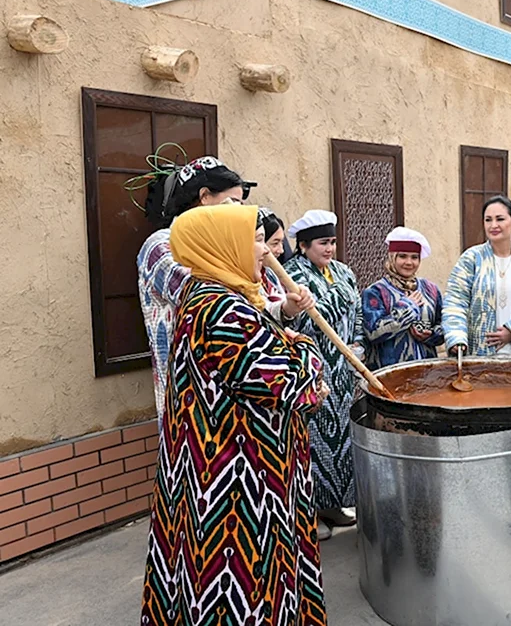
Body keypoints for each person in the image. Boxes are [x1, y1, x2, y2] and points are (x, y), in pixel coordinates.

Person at [141, 204, 328, 626]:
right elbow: (289, 383)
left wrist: (285, 332)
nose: (265, 252)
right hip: (239, 479)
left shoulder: (212, 296)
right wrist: (306, 353)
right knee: (241, 577)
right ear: (221, 246)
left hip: (216, 464)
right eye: (256, 240)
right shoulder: (223, 309)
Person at [136, 156, 310, 428]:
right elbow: (220, 305)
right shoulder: (161, 246)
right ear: (204, 197)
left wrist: (286, 308)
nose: (238, 212)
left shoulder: (236, 251)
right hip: (196, 391)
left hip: (240, 392)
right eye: (233, 203)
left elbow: (256, 304)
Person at [285, 209, 364, 536]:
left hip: (345, 370)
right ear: (303, 245)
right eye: (322, 243)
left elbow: (357, 311)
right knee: (315, 442)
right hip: (315, 370)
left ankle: (334, 506)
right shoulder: (292, 275)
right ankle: (311, 513)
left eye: (332, 242)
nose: (329, 249)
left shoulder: (344, 272)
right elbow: (290, 321)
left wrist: (357, 344)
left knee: (342, 441)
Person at [443, 195, 511, 357]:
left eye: (500, 219)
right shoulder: (471, 258)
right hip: (478, 354)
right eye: (488, 220)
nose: (494, 225)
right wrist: (457, 338)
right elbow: (455, 300)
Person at [362, 227, 444, 368]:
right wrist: (407, 308)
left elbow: (444, 326)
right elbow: (373, 333)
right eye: (402, 256)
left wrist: (430, 335)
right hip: (389, 376)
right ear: (392, 257)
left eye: (414, 257)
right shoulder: (376, 291)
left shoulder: (430, 290)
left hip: (427, 375)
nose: (409, 262)